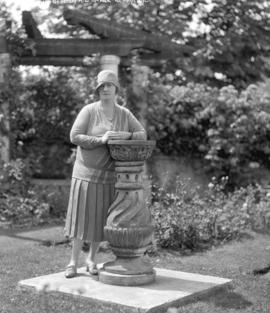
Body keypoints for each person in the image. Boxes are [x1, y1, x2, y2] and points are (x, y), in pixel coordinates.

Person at [64, 69, 146, 278]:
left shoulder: (124, 113)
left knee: (100, 220)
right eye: (102, 86)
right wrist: (100, 140)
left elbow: (142, 134)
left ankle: (91, 260)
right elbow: (74, 136)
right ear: (98, 90)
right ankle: (73, 262)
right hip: (85, 175)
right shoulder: (89, 111)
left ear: (116, 88)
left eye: (109, 85)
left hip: (109, 175)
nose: (105, 89)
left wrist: (125, 135)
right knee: (81, 219)